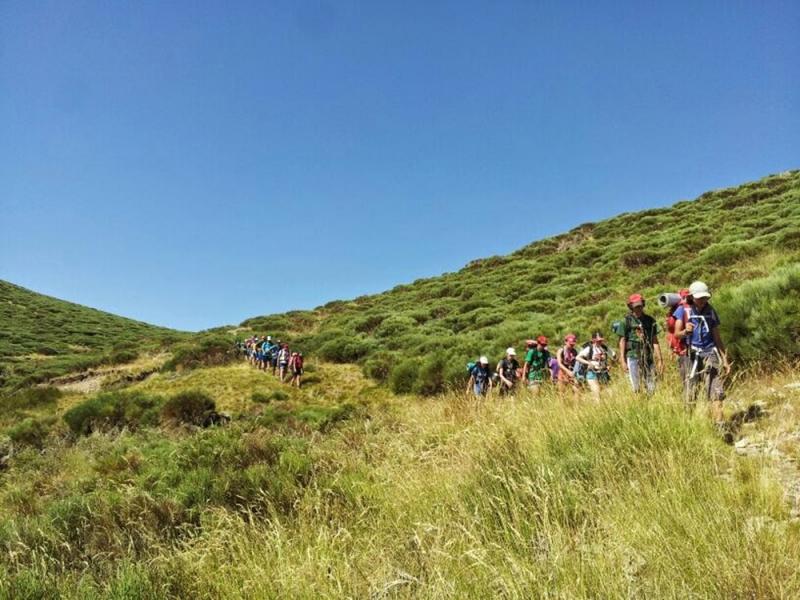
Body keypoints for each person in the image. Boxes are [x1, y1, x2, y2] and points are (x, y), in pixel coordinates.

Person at [673, 281, 730, 423]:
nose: (703, 301)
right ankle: (689, 423)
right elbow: (677, 334)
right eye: (699, 298)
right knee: (690, 391)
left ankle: (720, 425)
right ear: (692, 297)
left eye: (705, 298)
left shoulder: (711, 311)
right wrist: (686, 331)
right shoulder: (683, 311)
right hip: (691, 355)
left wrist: (724, 360)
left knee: (715, 389)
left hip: (710, 353)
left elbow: (717, 337)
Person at [617, 294, 663, 395]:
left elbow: (655, 340)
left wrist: (660, 359)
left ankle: (650, 403)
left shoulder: (650, 320)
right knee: (635, 386)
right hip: (633, 356)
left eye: (640, 305)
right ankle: (639, 403)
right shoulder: (625, 321)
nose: (639, 308)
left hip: (648, 356)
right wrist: (622, 360)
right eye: (636, 306)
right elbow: (622, 340)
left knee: (651, 385)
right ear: (631, 307)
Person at [665, 289, 693, 385]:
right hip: (689, 347)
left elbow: (671, 329)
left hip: (683, 348)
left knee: (687, 377)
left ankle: (689, 397)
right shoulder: (692, 308)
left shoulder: (680, 309)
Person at [576, 332, 611, 401]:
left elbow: (614, 356)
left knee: (608, 394)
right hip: (592, 372)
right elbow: (578, 357)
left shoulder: (604, 348)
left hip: (603, 372)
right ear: (593, 340)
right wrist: (588, 363)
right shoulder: (589, 349)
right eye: (598, 340)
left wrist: (609, 365)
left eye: (601, 340)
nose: (600, 342)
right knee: (597, 394)